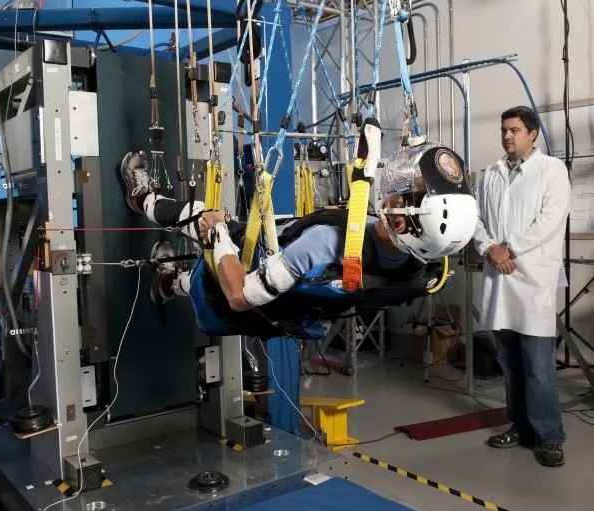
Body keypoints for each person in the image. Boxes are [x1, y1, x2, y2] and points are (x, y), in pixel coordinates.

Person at [120, 138, 475, 339]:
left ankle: (143, 199)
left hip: (243, 293)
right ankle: (168, 285)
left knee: (202, 214)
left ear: (403, 224)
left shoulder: (325, 244)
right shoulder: (426, 270)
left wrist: (218, 236)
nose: (397, 190)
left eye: (407, 194)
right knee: (202, 274)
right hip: (285, 312)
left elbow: (240, 296)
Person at [472, 105, 571, 467]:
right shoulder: (491, 174)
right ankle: (521, 426)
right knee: (510, 365)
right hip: (500, 280)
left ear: (533, 133)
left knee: (538, 367)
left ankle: (550, 437)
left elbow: (549, 219)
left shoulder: (552, 170)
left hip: (532, 280)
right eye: (503, 130)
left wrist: (508, 247)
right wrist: (489, 248)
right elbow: (477, 220)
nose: (507, 136)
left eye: (514, 130)